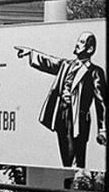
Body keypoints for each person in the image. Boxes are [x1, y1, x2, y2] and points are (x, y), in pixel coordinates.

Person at [15, 31, 106, 168]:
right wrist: (30, 53)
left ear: (90, 49)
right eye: (78, 41)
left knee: (77, 161)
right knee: (66, 159)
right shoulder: (67, 65)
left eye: (81, 42)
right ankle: (68, 183)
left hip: (78, 120)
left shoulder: (95, 71)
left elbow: (101, 102)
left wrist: (102, 129)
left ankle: (75, 186)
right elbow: (49, 62)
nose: (77, 44)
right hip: (61, 118)